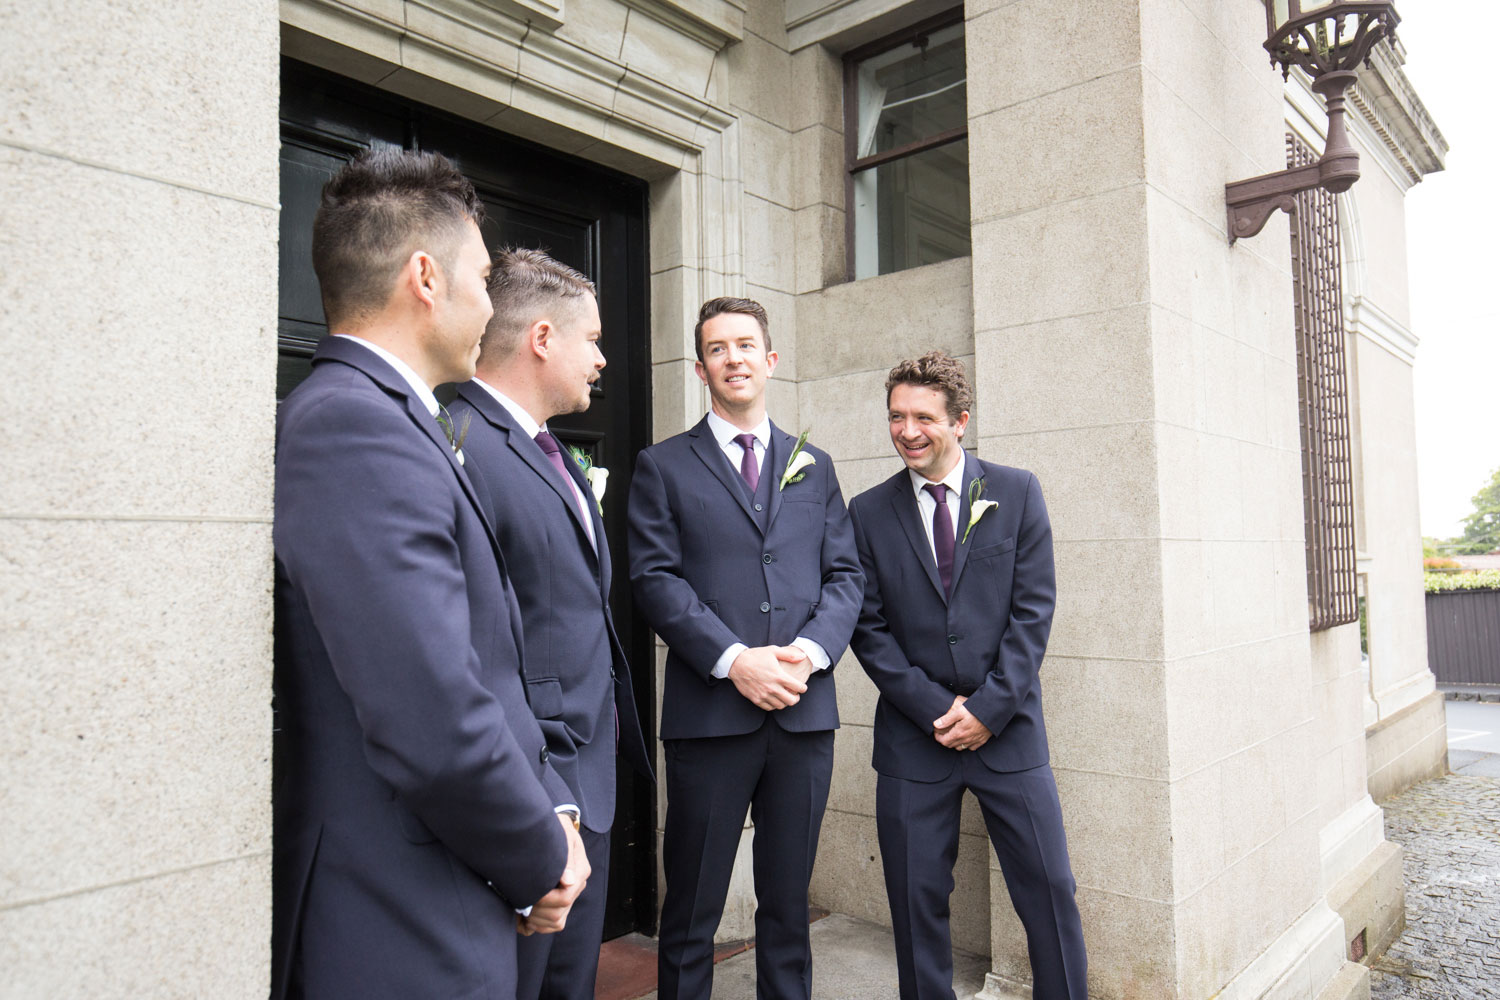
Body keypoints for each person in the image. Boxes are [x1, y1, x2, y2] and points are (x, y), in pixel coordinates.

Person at [272, 150, 589, 1000]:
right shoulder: (350, 427)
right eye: (482, 277)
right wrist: (540, 856)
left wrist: (555, 800)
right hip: (400, 915)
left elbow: (490, 662)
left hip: (451, 885)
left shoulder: (400, 420)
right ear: (424, 277)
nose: (492, 304)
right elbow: (429, 710)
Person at [626, 296, 863, 1000]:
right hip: (710, 720)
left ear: (770, 360)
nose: (733, 358)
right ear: (701, 368)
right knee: (693, 910)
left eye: (745, 345)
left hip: (802, 715)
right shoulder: (662, 466)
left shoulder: (812, 466)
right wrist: (735, 661)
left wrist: (810, 654)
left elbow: (846, 576)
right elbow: (653, 579)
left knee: (788, 908)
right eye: (718, 348)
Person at [847, 351, 1088, 1000]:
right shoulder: (866, 513)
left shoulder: (1017, 492)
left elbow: (1033, 613)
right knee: (916, 908)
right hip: (912, 740)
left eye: (923, 416)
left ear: (960, 422)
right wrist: (934, 707)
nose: (907, 430)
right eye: (896, 416)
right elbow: (867, 628)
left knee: (1049, 893)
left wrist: (988, 708)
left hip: (1009, 733)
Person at [449, 247, 653, 1000]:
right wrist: (548, 800)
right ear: (542, 338)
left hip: (586, 775)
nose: (602, 357)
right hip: (537, 786)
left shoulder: (548, 452)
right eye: (593, 339)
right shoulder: (463, 449)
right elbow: (473, 647)